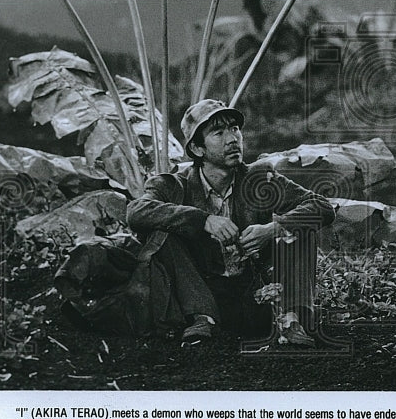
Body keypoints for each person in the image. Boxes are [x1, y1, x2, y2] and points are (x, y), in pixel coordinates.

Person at [126, 99, 335, 346]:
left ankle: (291, 321)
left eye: (235, 128)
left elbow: (322, 206)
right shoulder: (172, 185)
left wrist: (272, 229)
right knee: (164, 233)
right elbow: (136, 211)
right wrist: (203, 220)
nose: (232, 139)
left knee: (299, 227)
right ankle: (203, 319)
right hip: (201, 296)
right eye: (219, 132)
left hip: (253, 295)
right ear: (198, 148)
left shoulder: (260, 180)